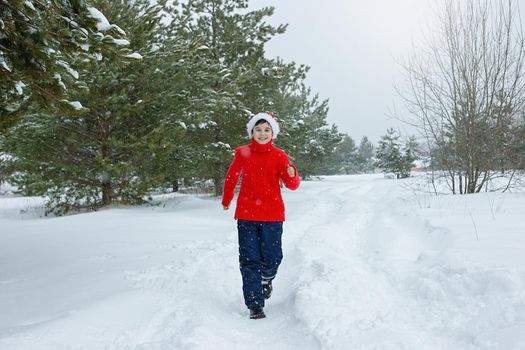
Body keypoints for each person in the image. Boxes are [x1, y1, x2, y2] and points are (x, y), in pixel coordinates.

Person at [222, 112, 300, 320]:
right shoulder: (243, 153)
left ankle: (266, 279)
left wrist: (292, 175)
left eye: (267, 130)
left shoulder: (279, 155)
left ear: (273, 133)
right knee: (249, 260)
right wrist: (226, 199)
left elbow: (292, 185)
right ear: (252, 132)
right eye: (258, 129)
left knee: (273, 258)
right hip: (247, 215)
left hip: (273, 215)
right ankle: (255, 304)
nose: (262, 133)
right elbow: (231, 177)